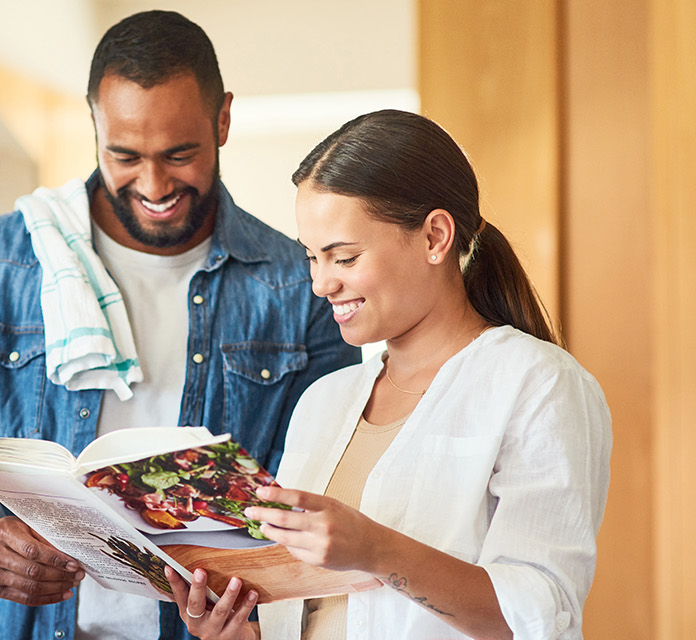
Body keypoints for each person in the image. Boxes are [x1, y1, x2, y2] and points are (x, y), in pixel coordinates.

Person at [0, 10, 362, 640]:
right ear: (94, 126)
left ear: (223, 119)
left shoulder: (298, 286)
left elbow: (326, 488)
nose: (155, 184)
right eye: (125, 155)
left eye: (180, 154)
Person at [164, 110, 612, 640]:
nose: (321, 285)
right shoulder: (322, 403)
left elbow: (541, 614)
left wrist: (375, 548)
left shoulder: (537, 385)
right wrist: (236, 633)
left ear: (435, 237)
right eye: (312, 258)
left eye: (345, 257)